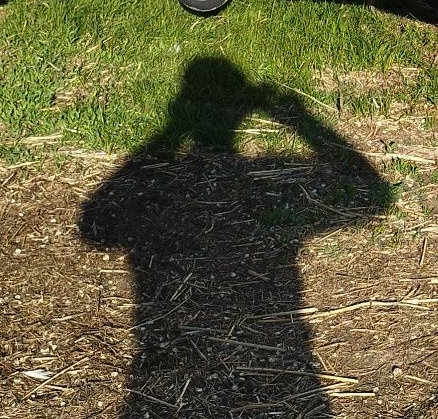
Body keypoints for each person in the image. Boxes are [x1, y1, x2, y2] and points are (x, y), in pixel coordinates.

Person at [79, 57, 389, 417]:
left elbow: (94, 228)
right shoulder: (267, 171)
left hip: (160, 366)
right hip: (284, 356)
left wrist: (172, 131)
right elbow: (374, 197)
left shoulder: (200, 172)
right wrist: (299, 119)